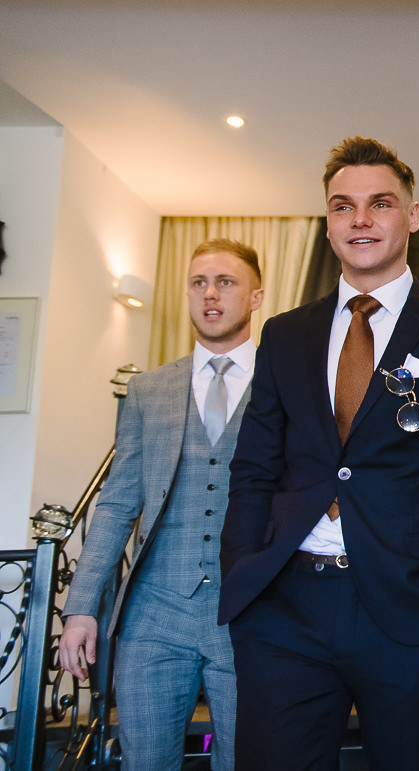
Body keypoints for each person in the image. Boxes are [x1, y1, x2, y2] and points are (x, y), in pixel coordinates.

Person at [218, 137, 419, 771]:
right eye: (343, 205)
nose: (361, 219)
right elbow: (253, 469)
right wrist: (245, 570)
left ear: (411, 214)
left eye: (379, 203)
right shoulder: (285, 333)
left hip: (406, 609)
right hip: (284, 609)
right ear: (328, 222)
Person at [59, 238, 265, 771]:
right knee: (145, 762)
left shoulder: (284, 384)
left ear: (257, 296)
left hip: (251, 613)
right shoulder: (149, 390)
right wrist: (81, 606)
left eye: (226, 282)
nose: (210, 294)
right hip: (154, 615)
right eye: (198, 282)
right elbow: (117, 502)